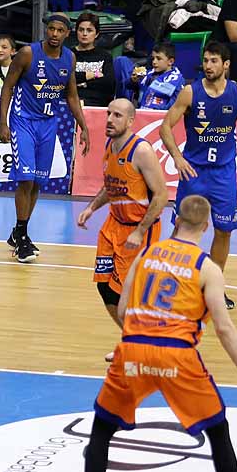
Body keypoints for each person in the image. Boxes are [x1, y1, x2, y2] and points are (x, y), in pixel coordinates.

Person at [59, 195, 237, 472]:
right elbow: (224, 328)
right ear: (207, 226)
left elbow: (123, 311)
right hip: (177, 355)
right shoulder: (207, 268)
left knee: (103, 430)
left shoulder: (145, 255)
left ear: (175, 220)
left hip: (133, 349)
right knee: (217, 431)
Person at [159, 42, 237, 309]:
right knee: (181, 230)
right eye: (206, 61)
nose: (208, 66)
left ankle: (214, 289)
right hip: (194, 173)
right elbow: (165, 127)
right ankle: (174, 286)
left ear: (226, 64)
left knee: (224, 231)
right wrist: (177, 156)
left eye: (213, 61)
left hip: (223, 174)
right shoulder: (190, 93)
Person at [0, 14, 90, 263]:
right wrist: (3, 123)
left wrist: (84, 126)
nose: (54, 34)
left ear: (66, 33)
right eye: (51, 28)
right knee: (25, 180)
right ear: (46, 30)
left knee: (38, 182)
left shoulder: (69, 58)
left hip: (48, 124)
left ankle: (18, 231)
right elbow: (8, 86)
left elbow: (71, 95)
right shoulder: (28, 53)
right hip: (23, 121)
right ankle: (23, 237)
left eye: (60, 30)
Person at [76, 99, 167, 339]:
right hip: (112, 226)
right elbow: (112, 185)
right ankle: (132, 338)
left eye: (117, 115)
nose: (109, 119)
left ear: (130, 121)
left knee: (125, 293)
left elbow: (161, 196)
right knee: (104, 287)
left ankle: (143, 340)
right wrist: (91, 208)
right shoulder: (111, 145)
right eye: (108, 113)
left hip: (137, 230)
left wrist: (139, 231)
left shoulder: (142, 151)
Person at [72, 12, 116, 108]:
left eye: (89, 30)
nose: (84, 34)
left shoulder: (105, 56)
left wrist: (80, 83)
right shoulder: (68, 55)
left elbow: (109, 84)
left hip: (98, 106)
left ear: (96, 34)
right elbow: (64, 79)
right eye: (81, 30)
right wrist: (92, 75)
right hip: (71, 104)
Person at [132, 41, 185, 110]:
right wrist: (132, 80)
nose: (154, 62)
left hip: (160, 117)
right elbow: (128, 87)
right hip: (141, 113)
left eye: (158, 59)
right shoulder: (147, 74)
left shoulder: (178, 80)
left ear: (170, 61)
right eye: (153, 58)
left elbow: (174, 105)